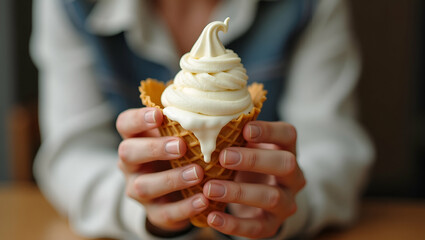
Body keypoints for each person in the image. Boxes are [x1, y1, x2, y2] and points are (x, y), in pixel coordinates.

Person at [31, 0, 374, 239]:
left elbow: (336, 149)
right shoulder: (71, 4)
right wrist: (138, 207)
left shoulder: (311, 5)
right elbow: (71, 153)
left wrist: (288, 205)